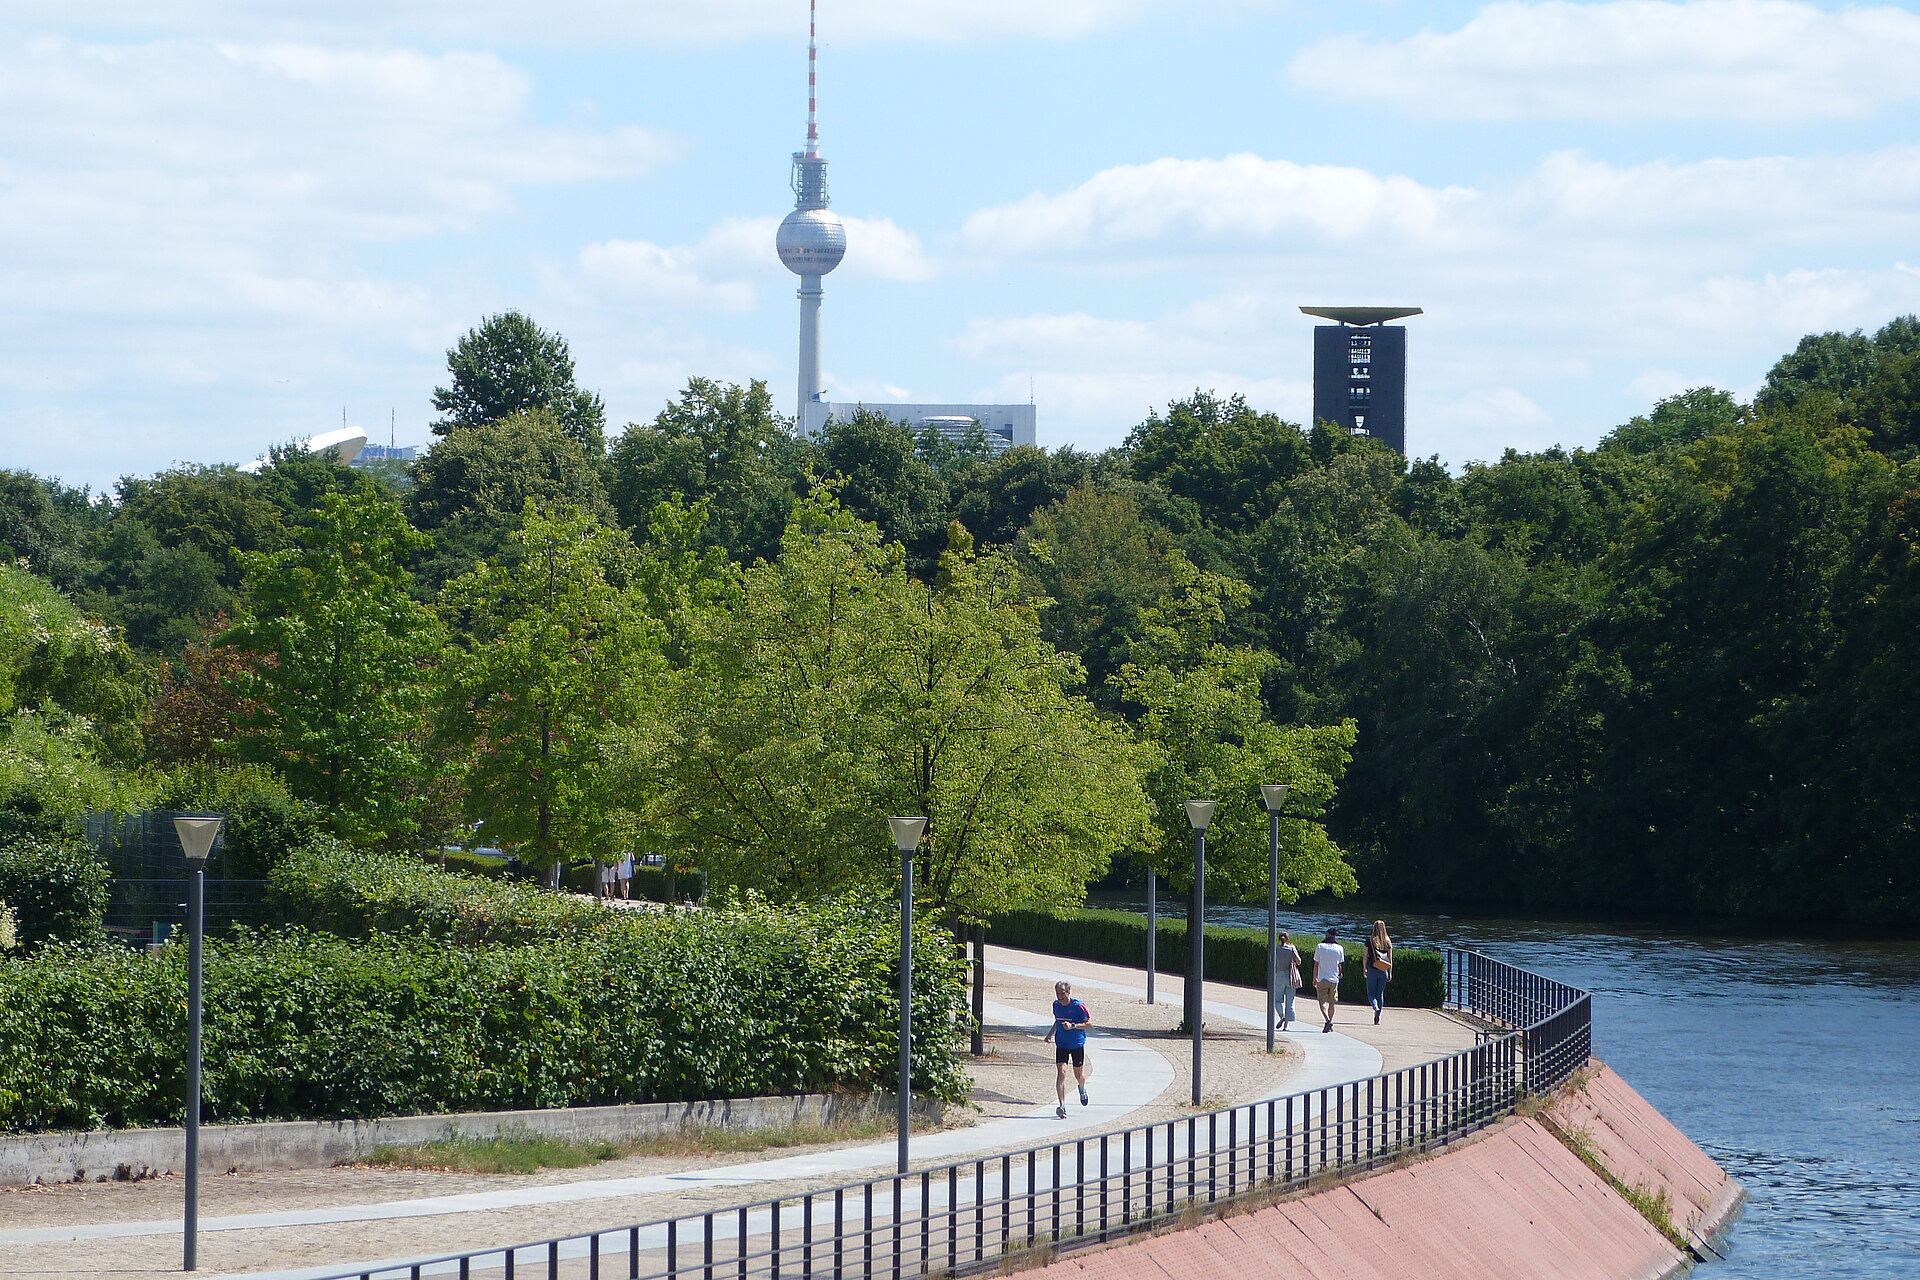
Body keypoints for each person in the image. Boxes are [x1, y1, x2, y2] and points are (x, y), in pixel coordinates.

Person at [1043, 980, 1092, 1118]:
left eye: (1062, 993)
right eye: (1057, 993)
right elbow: (1058, 1021)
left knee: (1079, 1076)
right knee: (1061, 1073)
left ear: (1068, 992)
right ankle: (1062, 1105)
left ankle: (1081, 1088)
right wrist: (1049, 1034)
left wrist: (1073, 1026)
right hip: (1062, 1044)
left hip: (1077, 1044)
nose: (1059, 996)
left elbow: (1089, 1024)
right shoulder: (1056, 1005)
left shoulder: (1078, 1006)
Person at [1313, 929, 1345, 1033]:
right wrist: (1340, 973)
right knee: (1332, 1003)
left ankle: (1327, 1021)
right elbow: (1339, 965)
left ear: (1326, 935)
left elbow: (1316, 964)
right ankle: (1330, 1021)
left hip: (1322, 978)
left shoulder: (1320, 947)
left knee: (1322, 1002)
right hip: (1334, 979)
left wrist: (1314, 978)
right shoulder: (1339, 948)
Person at [1365, 920, 1394, 1025]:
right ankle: (1378, 1016)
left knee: (1371, 994)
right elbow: (1390, 958)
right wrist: (1390, 972)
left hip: (1372, 969)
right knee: (1380, 994)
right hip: (1383, 970)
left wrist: (1364, 968)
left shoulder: (1370, 940)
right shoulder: (1387, 941)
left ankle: (1375, 1007)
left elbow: (1365, 957)